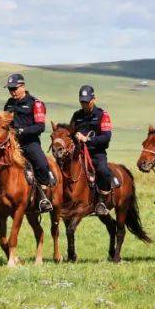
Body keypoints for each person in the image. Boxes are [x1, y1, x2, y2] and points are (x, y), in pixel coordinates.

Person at [3, 72, 53, 212]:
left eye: (14, 88)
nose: (12, 92)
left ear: (23, 86)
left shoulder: (36, 104)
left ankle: (43, 197)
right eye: (10, 89)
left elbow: (40, 126)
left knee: (42, 165)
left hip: (29, 143)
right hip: (10, 144)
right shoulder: (9, 104)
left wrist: (22, 131)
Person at [68, 85, 114, 215]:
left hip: (96, 152)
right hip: (78, 153)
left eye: (87, 101)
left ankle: (102, 202)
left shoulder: (102, 115)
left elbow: (106, 137)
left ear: (93, 99)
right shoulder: (76, 115)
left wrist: (87, 140)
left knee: (103, 171)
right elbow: (70, 133)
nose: (84, 104)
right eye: (82, 102)